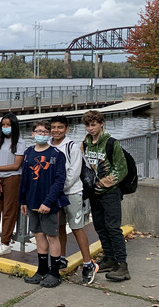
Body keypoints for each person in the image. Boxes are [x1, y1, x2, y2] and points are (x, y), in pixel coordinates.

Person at [82, 110, 130, 282]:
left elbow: (121, 169)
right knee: (100, 226)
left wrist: (103, 184)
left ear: (101, 123)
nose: (90, 128)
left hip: (110, 193)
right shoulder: (86, 144)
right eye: (88, 125)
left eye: (93, 124)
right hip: (94, 194)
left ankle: (122, 265)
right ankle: (109, 259)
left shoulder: (111, 143)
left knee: (113, 227)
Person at [20, 120, 68, 288]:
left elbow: (59, 180)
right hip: (32, 201)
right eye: (38, 131)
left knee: (52, 236)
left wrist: (49, 202)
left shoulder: (56, 154)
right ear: (33, 134)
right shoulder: (28, 153)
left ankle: (54, 272)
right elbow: (24, 178)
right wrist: (23, 200)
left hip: (49, 204)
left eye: (45, 132)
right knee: (38, 235)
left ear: (49, 135)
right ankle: (41, 269)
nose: (42, 134)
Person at [51, 115, 98, 285]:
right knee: (60, 227)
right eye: (53, 127)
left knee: (77, 228)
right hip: (55, 195)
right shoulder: (48, 145)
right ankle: (61, 258)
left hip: (72, 193)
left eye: (60, 127)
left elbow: (73, 173)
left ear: (67, 129)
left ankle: (88, 264)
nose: (56, 130)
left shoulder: (72, 147)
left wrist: (56, 188)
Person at [0, 113, 25, 256]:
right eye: (3, 125)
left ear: (14, 126)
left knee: (9, 210)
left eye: (8, 125)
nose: (5, 127)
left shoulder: (20, 142)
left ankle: (5, 242)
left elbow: (16, 165)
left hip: (12, 178)